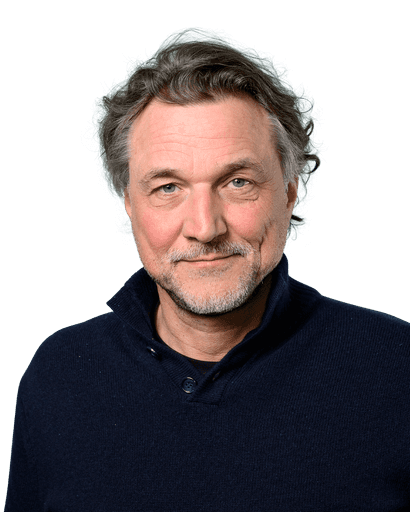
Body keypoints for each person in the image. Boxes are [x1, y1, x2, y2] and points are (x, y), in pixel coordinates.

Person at [5, 28, 410, 511]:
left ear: (289, 192)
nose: (204, 228)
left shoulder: (397, 370)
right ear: (130, 203)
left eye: (237, 182)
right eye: (168, 188)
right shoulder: (60, 375)